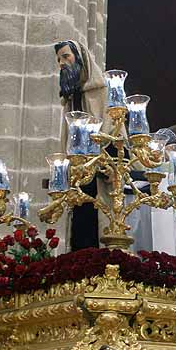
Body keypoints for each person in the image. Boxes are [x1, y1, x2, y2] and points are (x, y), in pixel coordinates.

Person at [54, 40, 107, 251]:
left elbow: (115, 131)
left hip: (100, 171)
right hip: (77, 173)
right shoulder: (70, 100)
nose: (61, 63)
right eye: (59, 59)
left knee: (98, 228)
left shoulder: (100, 91)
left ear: (81, 57)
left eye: (66, 56)